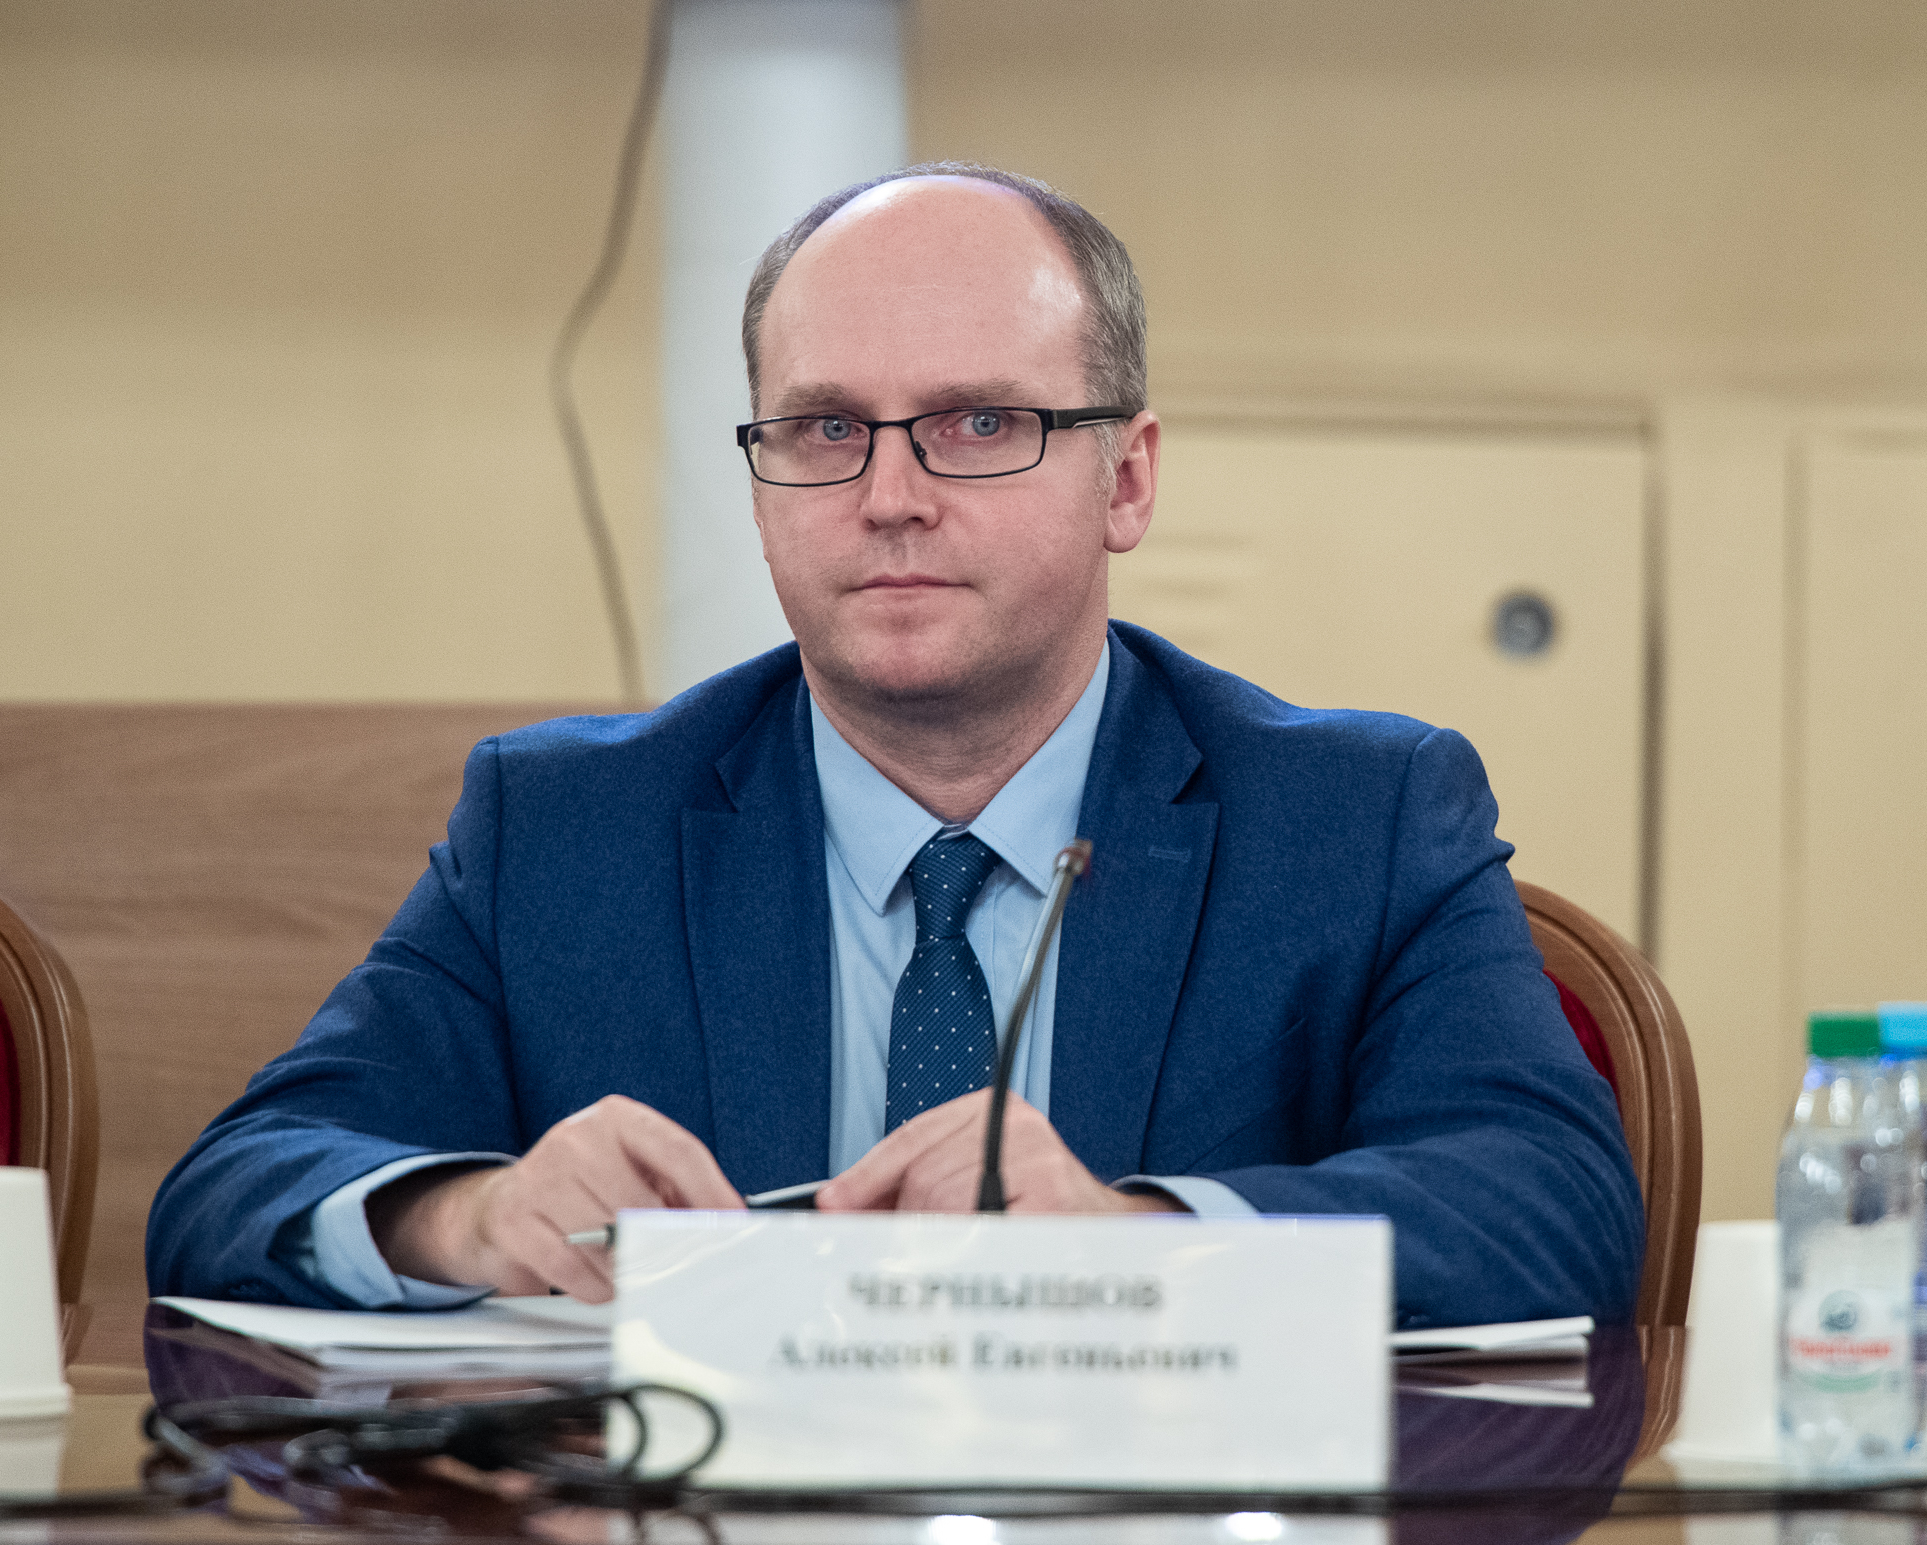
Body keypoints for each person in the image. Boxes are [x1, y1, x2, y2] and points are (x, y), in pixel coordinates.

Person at [148, 163, 1643, 1328]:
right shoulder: (566, 824)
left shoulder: (1356, 816)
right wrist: (465, 1216)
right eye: (823, 429)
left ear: (1126, 480)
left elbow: (1551, 1203)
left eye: (978, 423)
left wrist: (1136, 1241)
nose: (889, 495)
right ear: (761, 482)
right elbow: (236, 1184)